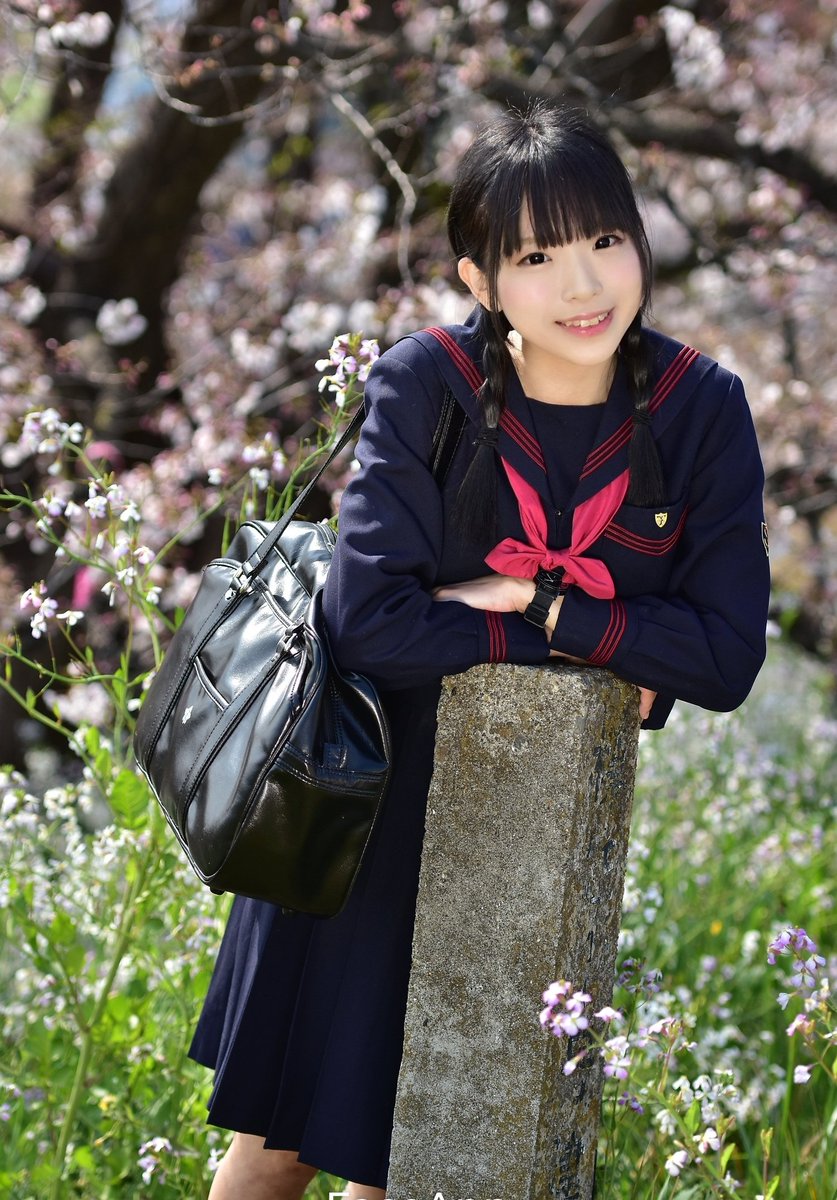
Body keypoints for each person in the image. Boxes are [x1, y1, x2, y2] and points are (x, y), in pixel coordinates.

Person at [189, 102, 770, 1199]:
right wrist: (619, 647)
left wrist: (542, 608)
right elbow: (371, 625)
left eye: (605, 240)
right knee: (283, 1148)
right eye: (538, 256)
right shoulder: (426, 386)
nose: (584, 284)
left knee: (434, 1159)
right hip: (361, 809)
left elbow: (729, 655)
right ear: (481, 277)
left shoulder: (704, 410)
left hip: (534, 830)